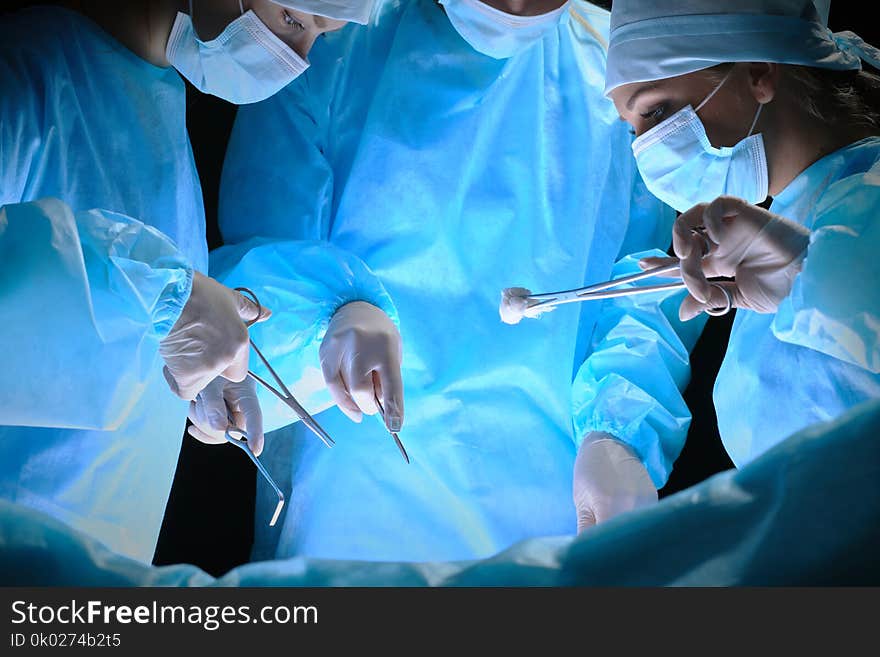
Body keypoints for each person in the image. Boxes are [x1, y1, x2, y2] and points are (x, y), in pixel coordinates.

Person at [217, 0, 707, 562]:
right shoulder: (327, 32)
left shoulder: (626, 83)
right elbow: (244, 302)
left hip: (553, 510)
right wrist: (320, 323)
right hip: (351, 510)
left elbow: (650, 288)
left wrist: (618, 433)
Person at [0, 0, 378, 561]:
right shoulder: (27, 75)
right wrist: (141, 289)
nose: (296, 61)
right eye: (293, 20)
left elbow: (89, 343)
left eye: (318, 37)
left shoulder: (155, 98)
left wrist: (180, 368)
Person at [604, 0, 880, 469]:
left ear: (758, 71)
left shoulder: (864, 201)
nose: (647, 152)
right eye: (634, 132)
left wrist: (813, 278)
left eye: (655, 111)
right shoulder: (797, 222)